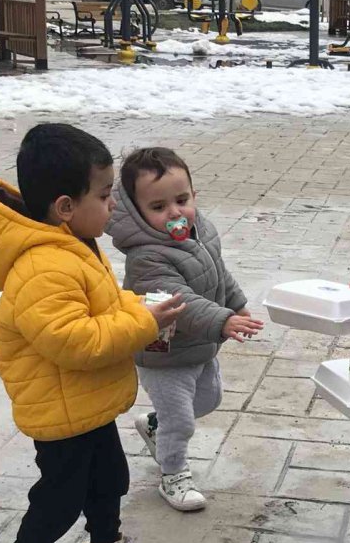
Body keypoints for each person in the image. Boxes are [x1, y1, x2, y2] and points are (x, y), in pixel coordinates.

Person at [0, 123, 185, 543]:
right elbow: (76, 343)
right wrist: (144, 322)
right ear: (65, 206)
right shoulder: (44, 266)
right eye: (103, 195)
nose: (113, 204)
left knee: (109, 481)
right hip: (59, 408)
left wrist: (136, 305)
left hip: (85, 403)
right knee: (59, 499)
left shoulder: (75, 244)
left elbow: (102, 303)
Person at [107, 147, 262, 511]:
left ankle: (155, 425)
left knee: (209, 400)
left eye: (182, 199)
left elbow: (218, 273)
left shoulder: (198, 232)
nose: (175, 213)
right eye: (159, 207)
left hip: (199, 345)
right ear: (137, 213)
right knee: (182, 423)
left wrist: (235, 302)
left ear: (194, 194)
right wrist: (222, 320)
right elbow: (181, 301)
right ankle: (173, 473)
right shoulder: (147, 255)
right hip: (163, 354)